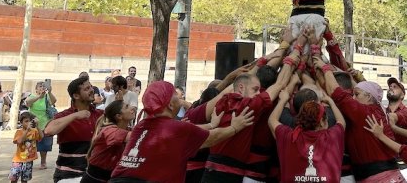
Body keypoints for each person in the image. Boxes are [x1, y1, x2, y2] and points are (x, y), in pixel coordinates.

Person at [110, 80, 254, 183]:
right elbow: (212, 138)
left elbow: (187, 132)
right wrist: (235, 127)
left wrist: (211, 124)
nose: (180, 98)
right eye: (175, 95)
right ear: (171, 105)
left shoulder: (141, 125)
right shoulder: (177, 129)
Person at [203, 41, 303, 182]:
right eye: (255, 90)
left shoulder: (221, 101)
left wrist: (281, 49)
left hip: (210, 170)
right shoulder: (249, 105)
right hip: (228, 174)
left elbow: (236, 78)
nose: (258, 93)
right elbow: (280, 84)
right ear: (241, 88)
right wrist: (297, 50)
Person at [315, 55, 404, 182]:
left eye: (356, 95)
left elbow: (336, 92)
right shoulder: (377, 108)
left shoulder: (365, 112)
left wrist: (325, 68)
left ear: (368, 97)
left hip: (382, 178)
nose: (353, 98)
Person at [269, 87, 346, 183]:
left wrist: (283, 100)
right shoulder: (332, 136)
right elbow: (341, 122)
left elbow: (272, 120)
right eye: (325, 118)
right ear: (322, 122)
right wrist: (331, 102)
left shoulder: (289, 136)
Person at [44, 76, 103, 182]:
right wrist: (75, 116)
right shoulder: (65, 115)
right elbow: (49, 130)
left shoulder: (100, 114)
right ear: (76, 95)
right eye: (86, 89)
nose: (91, 90)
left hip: (93, 175)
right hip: (68, 176)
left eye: (90, 87)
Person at [80, 100, 131, 183]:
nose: (132, 108)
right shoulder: (109, 131)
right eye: (127, 107)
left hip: (109, 178)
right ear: (119, 116)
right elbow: (136, 137)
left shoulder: (127, 129)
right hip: (94, 180)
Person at [25, 81, 57, 170]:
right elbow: (28, 103)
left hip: (45, 124)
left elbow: (54, 101)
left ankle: (43, 162)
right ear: (36, 89)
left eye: (43, 86)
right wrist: (39, 97)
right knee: (30, 144)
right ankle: (29, 161)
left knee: (44, 145)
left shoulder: (47, 97)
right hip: (33, 125)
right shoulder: (32, 96)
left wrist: (49, 92)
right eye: (39, 86)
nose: (42, 87)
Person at [9, 112, 43, 183]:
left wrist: (37, 126)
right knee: (14, 178)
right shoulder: (19, 132)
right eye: (26, 121)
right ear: (21, 122)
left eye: (30, 121)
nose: (28, 123)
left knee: (25, 179)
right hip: (18, 160)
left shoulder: (34, 131)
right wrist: (27, 130)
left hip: (29, 160)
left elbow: (41, 136)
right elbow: (19, 141)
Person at [385, 78, 407, 142]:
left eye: (395, 87)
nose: (391, 88)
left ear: (402, 95)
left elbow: (397, 117)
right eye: (390, 87)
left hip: (401, 149)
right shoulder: (383, 110)